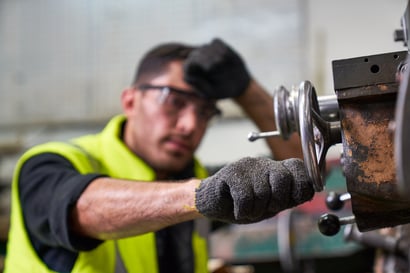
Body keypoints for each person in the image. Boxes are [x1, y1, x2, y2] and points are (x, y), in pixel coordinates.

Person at [4, 38, 314, 273]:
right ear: (130, 101)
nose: (191, 125)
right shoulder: (49, 164)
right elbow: (85, 210)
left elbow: (305, 168)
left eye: (205, 111)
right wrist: (201, 196)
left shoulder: (192, 179)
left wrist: (247, 91)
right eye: (173, 101)